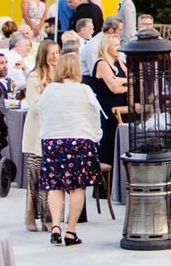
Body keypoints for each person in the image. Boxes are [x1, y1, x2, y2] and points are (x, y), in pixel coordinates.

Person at [37, 53, 103, 245]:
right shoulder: (84, 90)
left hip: (53, 139)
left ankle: (56, 226)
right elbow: (94, 116)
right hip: (80, 139)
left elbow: (42, 114)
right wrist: (95, 136)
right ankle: (71, 230)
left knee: (55, 185)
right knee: (77, 187)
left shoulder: (49, 90)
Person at [20, 39, 61, 231]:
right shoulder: (35, 76)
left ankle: (49, 216)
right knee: (35, 176)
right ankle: (30, 214)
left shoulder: (60, 76)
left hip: (55, 130)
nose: (55, 57)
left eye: (57, 53)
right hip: (37, 131)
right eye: (51, 53)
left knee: (51, 177)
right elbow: (34, 103)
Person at [88, 19, 130, 167]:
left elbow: (131, 79)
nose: (119, 49)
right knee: (107, 146)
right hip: (107, 110)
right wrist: (125, 82)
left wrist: (123, 82)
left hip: (121, 107)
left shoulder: (120, 63)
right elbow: (114, 87)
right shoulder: (102, 64)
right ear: (107, 47)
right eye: (116, 46)